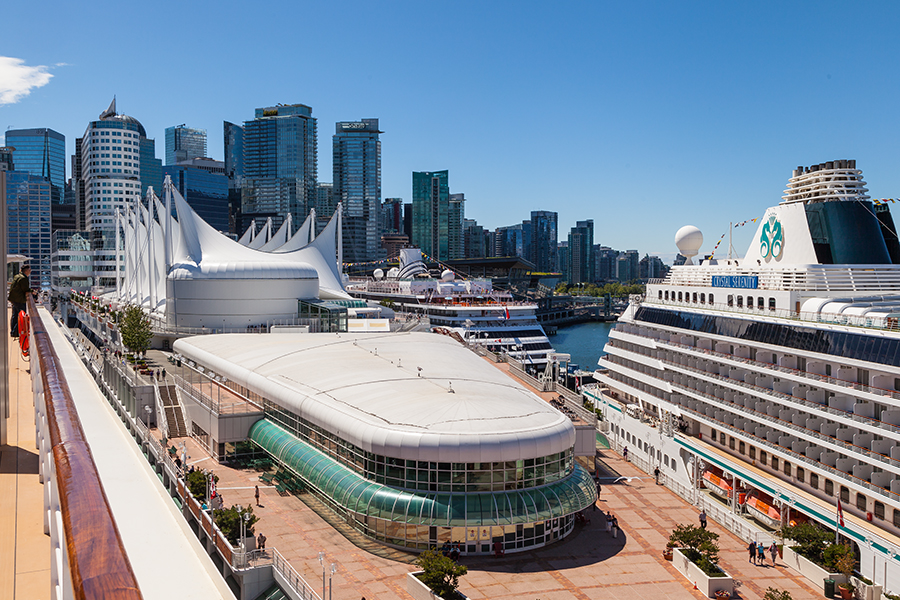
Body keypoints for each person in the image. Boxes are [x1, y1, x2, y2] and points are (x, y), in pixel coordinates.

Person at [8, 265, 31, 338]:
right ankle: (16, 332)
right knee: (21, 315)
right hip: (19, 300)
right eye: (29, 270)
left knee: (15, 315)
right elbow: (26, 289)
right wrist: (33, 292)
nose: (30, 271)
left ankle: (13, 332)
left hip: (13, 299)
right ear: (26, 271)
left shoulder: (17, 276)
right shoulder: (23, 278)